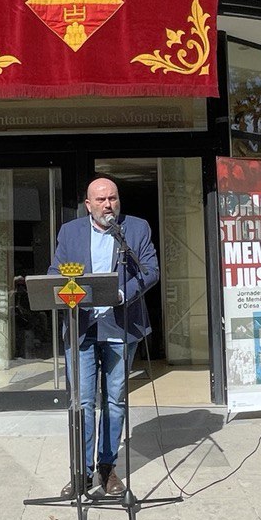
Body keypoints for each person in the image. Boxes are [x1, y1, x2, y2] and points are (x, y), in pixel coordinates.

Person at [50, 177, 159, 499]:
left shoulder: (135, 229)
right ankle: (81, 472)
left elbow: (150, 269)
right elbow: (56, 270)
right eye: (100, 200)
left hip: (121, 328)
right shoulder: (70, 232)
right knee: (83, 402)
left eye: (112, 198)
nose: (107, 205)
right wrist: (63, 287)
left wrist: (125, 292)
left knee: (115, 400)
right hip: (81, 326)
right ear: (88, 204)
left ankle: (107, 468)